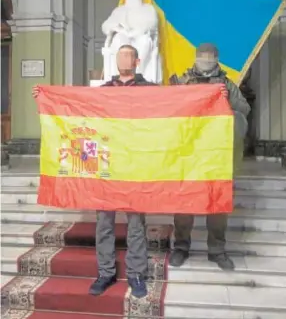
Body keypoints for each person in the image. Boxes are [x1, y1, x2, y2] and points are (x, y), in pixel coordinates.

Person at [32, 44, 155, 298]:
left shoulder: (149, 91)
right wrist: (45, 97)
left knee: (135, 224)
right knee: (104, 223)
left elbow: (175, 105)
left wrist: (214, 94)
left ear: (137, 60)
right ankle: (106, 272)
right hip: (106, 166)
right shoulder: (103, 92)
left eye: (128, 55)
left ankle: (136, 274)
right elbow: (75, 107)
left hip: (135, 166)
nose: (124, 59)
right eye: (120, 55)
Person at [169, 43, 251, 271]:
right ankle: (181, 247)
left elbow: (243, 111)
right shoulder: (181, 81)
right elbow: (168, 112)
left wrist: (227, 99)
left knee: (217, 204)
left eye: (210, 57)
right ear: (195, 58)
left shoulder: (226, 84)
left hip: (217, 154)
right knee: (185, 204)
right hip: (189, 152)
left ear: (217, 59)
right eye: (202, 57)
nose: (206, 60)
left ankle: (217, 250)